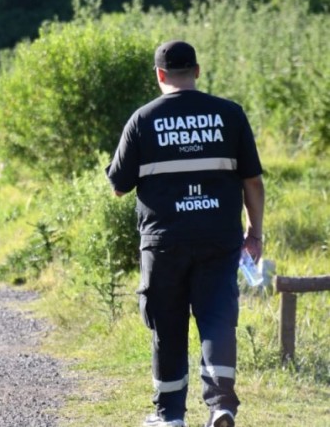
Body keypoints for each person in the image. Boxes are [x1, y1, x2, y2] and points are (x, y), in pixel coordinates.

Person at [106, 41, 264, 427]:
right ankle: (221, 406)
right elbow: (253, 183)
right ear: (197, 70)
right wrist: (255, 232)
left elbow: (119, 186)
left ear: (160, 75)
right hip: (219, 238)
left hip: (164, 242)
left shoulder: (142, 119)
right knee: (216, 320)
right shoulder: (230, 114)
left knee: (167, 323)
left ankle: (170, 415)